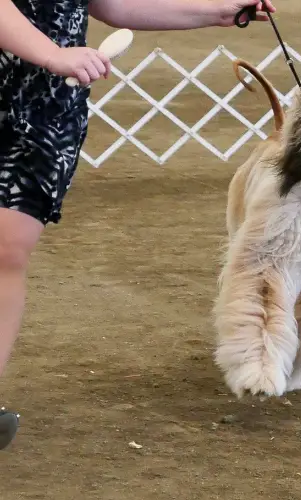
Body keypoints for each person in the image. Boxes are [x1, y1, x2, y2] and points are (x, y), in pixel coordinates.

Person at [0, 0, 276, 451]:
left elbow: (113, 4)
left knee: (7, 248)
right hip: (46, 69)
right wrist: (52, 52)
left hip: (45, 110)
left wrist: (216, 11)